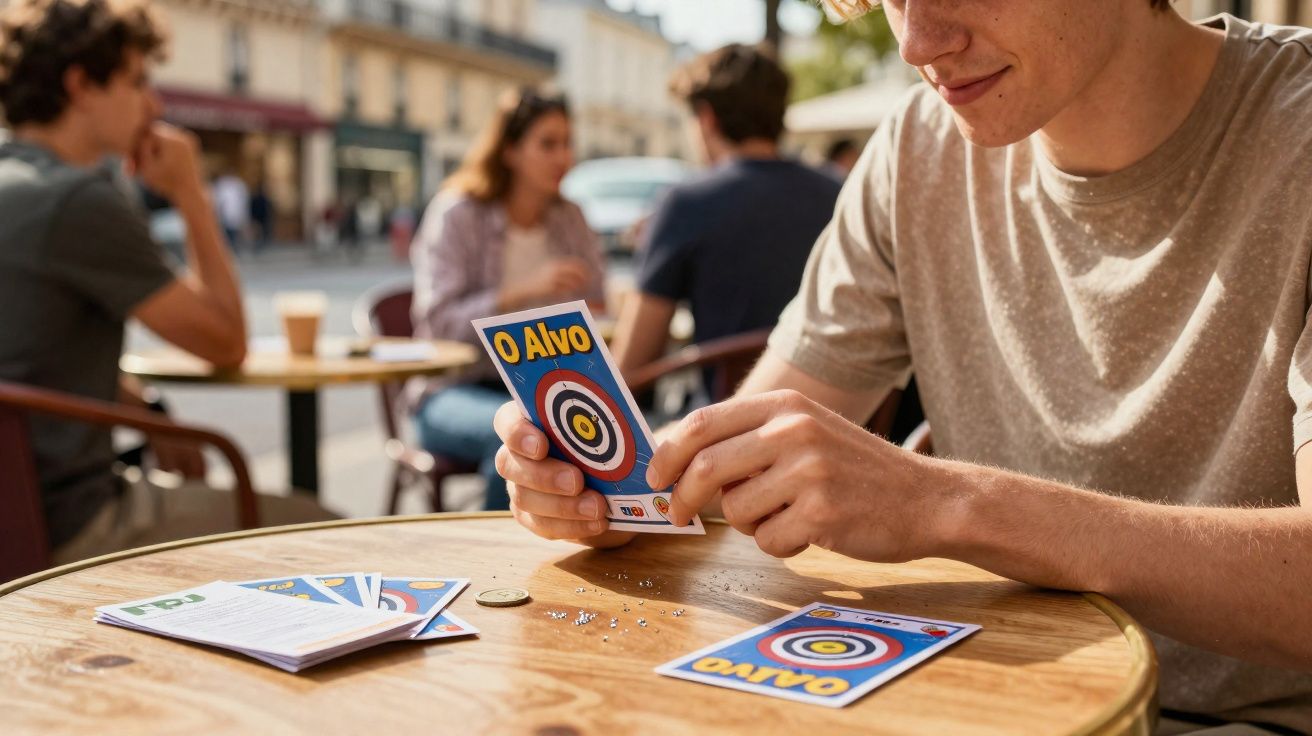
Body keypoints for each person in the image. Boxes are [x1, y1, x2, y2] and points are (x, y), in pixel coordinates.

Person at [492, 2, 1312, 732]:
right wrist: (613, 481)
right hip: (978, 702)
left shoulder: (1295, 133)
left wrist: (944, 504)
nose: (919, 40)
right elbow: (727, 458)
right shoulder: (918, 149)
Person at [0, 0, 285, 561]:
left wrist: (147, 414)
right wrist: (190, 194)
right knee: (332, 533)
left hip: (15, 523)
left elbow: (29, 364)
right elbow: (227, 343)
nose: (153, 105)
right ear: (81, 84)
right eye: (137, 82)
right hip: (73, 526)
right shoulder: (77, 200)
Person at [409, 88, 604, 511]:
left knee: (607, 430)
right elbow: (438, 323)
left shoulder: (569, 218)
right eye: (548, 144)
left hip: (547, 388)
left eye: (568, 143)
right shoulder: (457, 213)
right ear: (511, 150)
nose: (563, 157)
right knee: (526, 436)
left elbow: (599, 305)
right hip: (453, 390)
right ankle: (499, 561)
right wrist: (522, 290)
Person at [611, 45, 840, 392]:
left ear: (706, 118)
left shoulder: (687, 203)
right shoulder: (841, 193)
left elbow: (631, 366)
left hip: (726, 430)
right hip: (842, 424)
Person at [211, 168, 248, 254]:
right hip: (226, 213)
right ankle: (230, 249)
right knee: (227, 233)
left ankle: (233, 248)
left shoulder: (238, 184)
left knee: (233, 232)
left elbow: (242, 200)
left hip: (234, 213)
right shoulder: (222, 184)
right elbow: (218, 200)